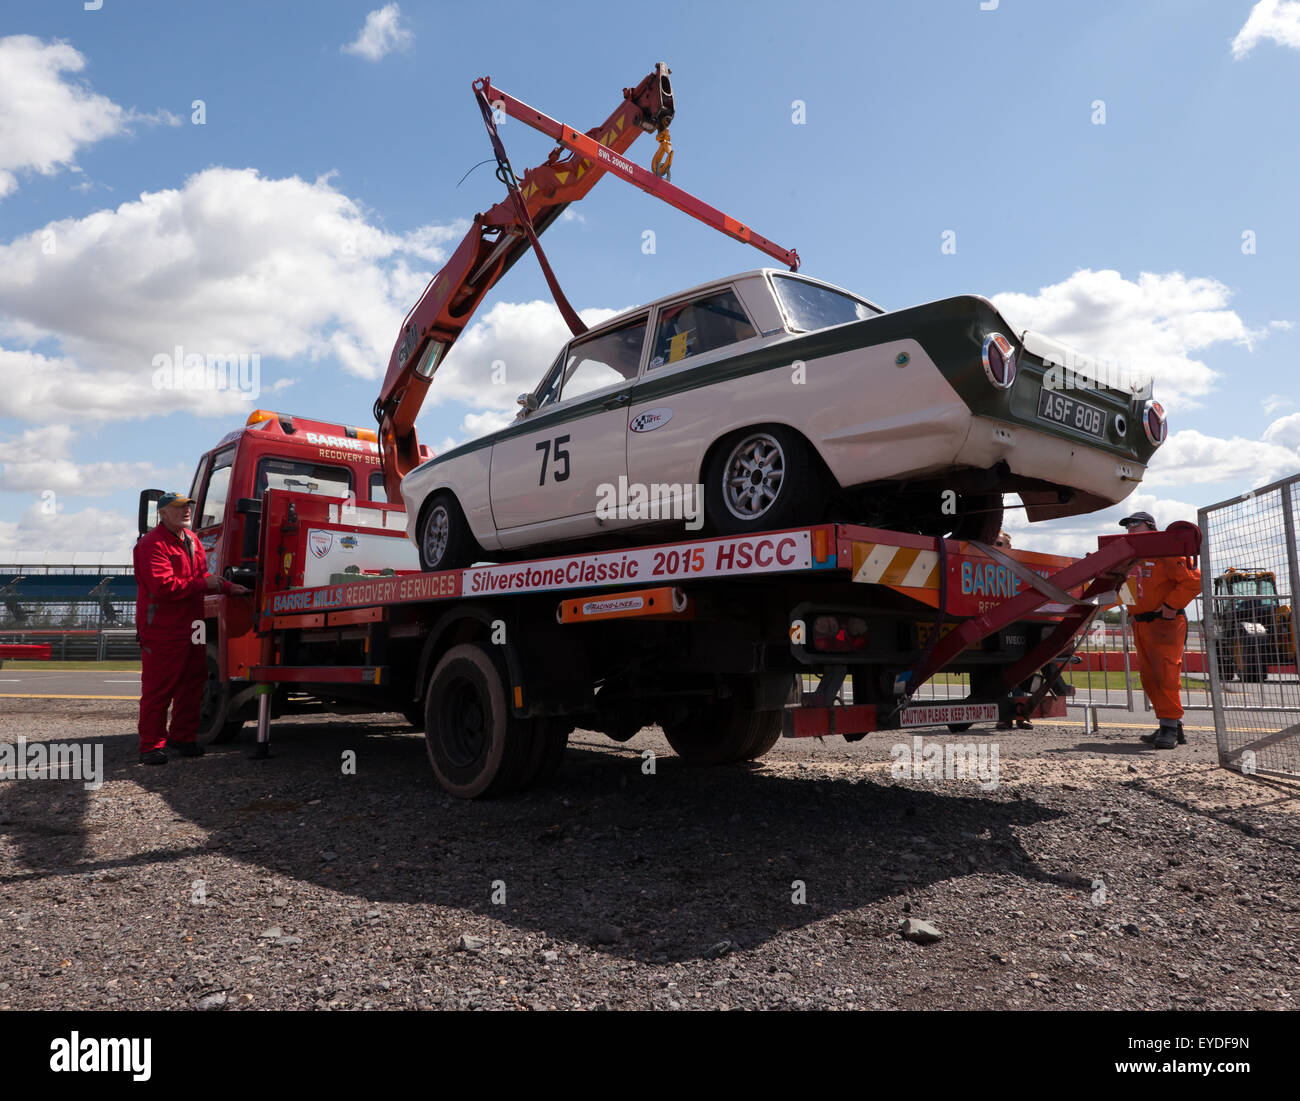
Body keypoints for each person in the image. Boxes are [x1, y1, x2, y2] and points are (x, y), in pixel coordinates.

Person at [134, 492, 249, 765]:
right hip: (162, 627)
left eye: (187, 506)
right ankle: (151, 746)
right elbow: (164, 586)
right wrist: (204, 585)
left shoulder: (193, 540)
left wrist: (229, 587)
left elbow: (201, 577)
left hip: (194, 624)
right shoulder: (151, 544)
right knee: (159, 688)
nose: (186, 511)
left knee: (193, 683)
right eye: (178, 508)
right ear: (162, 514)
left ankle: (182, 737)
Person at [1118, 511, 1201, 749]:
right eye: (1128, 525)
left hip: (1165, 623)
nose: (1130, 528)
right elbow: (1129, 591)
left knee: (1165, 675)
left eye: (1135, 523)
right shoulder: (1133, 557)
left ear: (1150, 526)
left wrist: (1170, 605)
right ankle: (1173, 725)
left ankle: (1169, 728)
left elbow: (1192, 581)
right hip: (1142, 624)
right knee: (1149, 678)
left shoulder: (1166, 550)